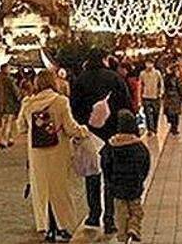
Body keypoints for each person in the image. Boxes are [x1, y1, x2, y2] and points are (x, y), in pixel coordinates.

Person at [18, 70, 88, 243]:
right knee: (60, 190)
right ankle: (63, 226)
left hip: (37, 155)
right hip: (58, 152)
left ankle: (46, 226)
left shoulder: (28, 103)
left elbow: (20, 127)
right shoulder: (60, 101)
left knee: (41, 190)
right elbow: (70, 128)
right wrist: (83, 131)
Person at [70, 48, 132, 235]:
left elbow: (74, 107)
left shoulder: (81, 79)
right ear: (104, 59)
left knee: (92, 175)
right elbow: (126, 106)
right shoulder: (114, 78)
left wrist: (82, 127)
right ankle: (109, 218)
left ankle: (94, 214)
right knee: (111, 178)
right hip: (111, 136)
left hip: (90, 136)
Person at [105, 110, 151, 244]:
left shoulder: (111, 146)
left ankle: (122, 238)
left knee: (120, 213)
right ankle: (133, 227)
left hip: (117, 187)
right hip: (134, 185)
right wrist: (140, 179)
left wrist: (111, 181)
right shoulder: (139, 147)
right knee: (136, 210)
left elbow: (106, 166)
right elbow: (145, 165)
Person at [0, 63, 19, 149]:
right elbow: (15, 92)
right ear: (5, 69)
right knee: (7, 124)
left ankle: (5, 139)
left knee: (1, 124)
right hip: (8, 104)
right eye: (9, 69)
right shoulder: (9, 80)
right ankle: (4, 141)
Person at [140, 59, 163, 136]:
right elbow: (140, 85)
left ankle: (155, 128)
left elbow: (161, 83)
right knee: (148, 114)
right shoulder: (142, 74)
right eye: (147, 63)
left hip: (156, 96)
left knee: (156, 114)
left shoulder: (157, 73)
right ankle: (150, 130)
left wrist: (160, 93)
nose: (148, 65)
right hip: (146, 96)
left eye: (150, 63)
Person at [163, 63, 182, 136]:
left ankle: (173, 127)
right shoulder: (176, 79)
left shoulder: (166, 78)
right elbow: (180, 90)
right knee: (175, 115)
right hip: (175, 98)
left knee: (170, 114)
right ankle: (174, 128)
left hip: (168, 98)